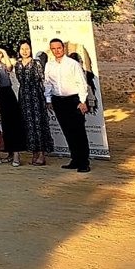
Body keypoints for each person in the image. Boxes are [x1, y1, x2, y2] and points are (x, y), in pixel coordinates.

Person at [44, 38, 91, 173]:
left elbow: (81, 82)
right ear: (51, 50)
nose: (57, 51)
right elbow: (48, 83)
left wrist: (82, 101)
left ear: (63, 48)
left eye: (59, 48)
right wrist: (48, 100)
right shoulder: (49, 65)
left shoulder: (73, 64)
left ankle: (84, 162)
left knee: (79, 132)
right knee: (67, 132)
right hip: (58, 101)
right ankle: (75, 159)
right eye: (54, 48)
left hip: (73, 100)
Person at [15, 40, 52, 166]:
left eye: (27, 49)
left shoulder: (36, 63)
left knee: (38, 124)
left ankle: (41, 153)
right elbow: (19, 79)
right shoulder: (18, 64)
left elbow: (42, 79)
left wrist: (46, 98)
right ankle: (34, 152)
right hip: (23, 96)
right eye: (22, 49)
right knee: (28, 124)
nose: (25, 51)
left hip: (36, 95)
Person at [0, 45, 25, 167]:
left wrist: (4, 52)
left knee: (13, 123)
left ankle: (16, 154)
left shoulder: (4, 65)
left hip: (7, 94)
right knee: (4, 125)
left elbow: (10, 67)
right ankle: (9, 152)